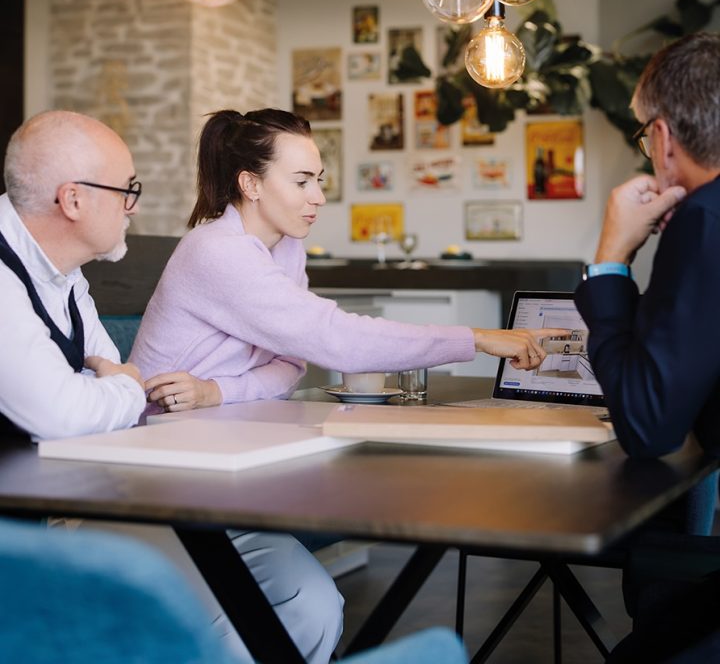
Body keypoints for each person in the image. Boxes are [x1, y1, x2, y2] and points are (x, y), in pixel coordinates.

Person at [129, 107, 564, 664]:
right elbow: (334, 341)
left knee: (314, 606)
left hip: (222, 456)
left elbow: (291, 364)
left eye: (320, 182)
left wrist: (217, 391)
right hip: (158, 478)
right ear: (251, 183)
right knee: (274, 610)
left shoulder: (284, 249)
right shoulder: (216, 251)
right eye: (303, 181)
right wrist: (476, 337)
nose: (318, 197)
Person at [574, 32, 720, 661]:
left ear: (662, 138)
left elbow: (647, 424)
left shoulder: (706, 220)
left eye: (642, 136)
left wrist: (610, 260)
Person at [0, 110, 146, 439]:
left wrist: (106, 387)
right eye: (126, 190)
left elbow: (105, 369)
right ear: (73, 200)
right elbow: (60, 416)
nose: (133, 207)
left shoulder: (67, 271)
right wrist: (128, 388)